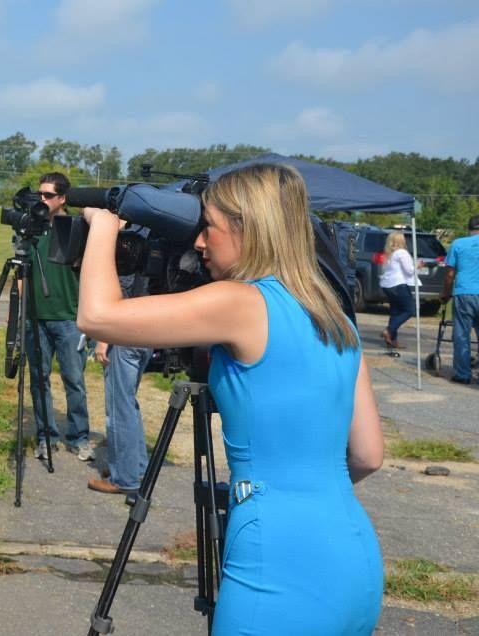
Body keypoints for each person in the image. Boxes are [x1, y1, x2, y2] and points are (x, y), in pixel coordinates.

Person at [77, 163, 384, 634]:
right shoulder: (335, 317)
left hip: (275, 562)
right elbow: (367, 456)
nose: (199, 243)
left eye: (210, 228)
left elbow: (98, 316)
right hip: (352, 554)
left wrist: (103, 226)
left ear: (247, 228)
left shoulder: (241, 302)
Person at [26, 172, 94, 462]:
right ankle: (46, 436)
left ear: (63, 198)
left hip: (69, 318)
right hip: (35, 320)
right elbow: (23, 272)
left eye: (48, 195)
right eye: (39, 194)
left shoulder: (76, 229)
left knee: (74, 380)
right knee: (38, 379)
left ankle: (79, 437)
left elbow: (92, 275)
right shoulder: (31, 228)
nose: (42, 200)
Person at [88, 226, 152, 495]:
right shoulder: (151, 237)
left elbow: (121, 294)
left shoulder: (127, 242)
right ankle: (135, 467)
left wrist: (105, 337)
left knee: (118, 408)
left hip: (123, 337)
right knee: (128, 404)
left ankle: (124, 479)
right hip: (148, 332)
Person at [441, 214, 479, 384]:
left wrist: (445, 293)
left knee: (462, 335)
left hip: (464, 293)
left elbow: (450, 274)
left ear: (469, 228)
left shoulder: (458, 244)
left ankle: (463, 374)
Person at [379, 231, 419, 349]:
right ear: (401, 240)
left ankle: (392, 340)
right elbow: (409, 270)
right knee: (410, 310)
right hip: (398, 284)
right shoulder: (402, 252)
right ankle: (389, 330)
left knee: (395, 311)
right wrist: (417, 265)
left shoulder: (389, 254)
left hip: (387, 285)